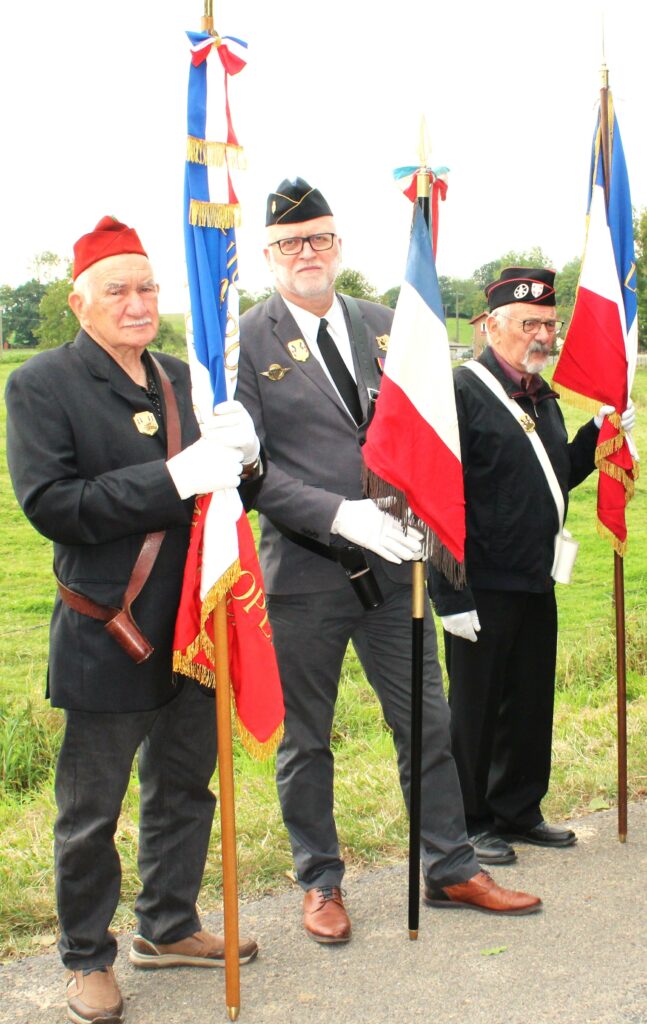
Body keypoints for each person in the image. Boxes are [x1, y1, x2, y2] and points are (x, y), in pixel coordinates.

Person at [236, 178, 541, 944]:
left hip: (396, 570)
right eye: (289, 243)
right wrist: (338, 514)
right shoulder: (244, 339)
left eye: (319, 238)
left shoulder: (391, 325)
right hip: (305, 572)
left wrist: (419, 529)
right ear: (268, 256)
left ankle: (449, 865)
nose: (307, 254)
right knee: (306, 739)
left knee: (426, 725)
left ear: (338, 246)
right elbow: (248, 468)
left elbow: (432, 440)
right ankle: (320, 881)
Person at [5, 217, 261, 1024]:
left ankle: (168, 923)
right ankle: (86, 957)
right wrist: (172, 475)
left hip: (193, 624)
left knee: (185, 786)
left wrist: (248, 462)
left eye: (148, 287)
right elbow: (55, 508)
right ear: (79, 301)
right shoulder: (42, 384)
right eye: (117, 289)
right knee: (91, 814)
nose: (137, 302)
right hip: (110, 632)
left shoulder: (188, 377)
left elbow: (225, 501)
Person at [429, 267, 637, 866]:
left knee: (527, 700)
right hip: (479, 584)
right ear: (491, 325)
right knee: (475, 708)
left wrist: (594, 438)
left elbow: (552, 478)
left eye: (549, 324)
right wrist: (451, 596)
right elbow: (439, 501)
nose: (541, 336)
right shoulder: (463, 392)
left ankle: (518, 809)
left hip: (534, 578)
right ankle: (470, 822)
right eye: (528, 324)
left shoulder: (539, 393)